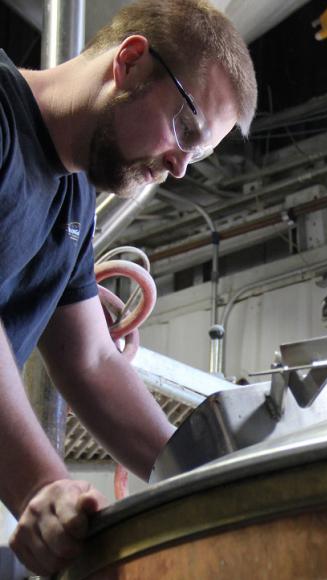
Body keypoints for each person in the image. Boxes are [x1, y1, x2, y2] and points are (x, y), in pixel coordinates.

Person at [0, 0, 257, 575]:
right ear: (132, 62)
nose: (179, 166)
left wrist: (211, 481)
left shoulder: (72, 203)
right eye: (182, 131)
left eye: (196, 154)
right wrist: (44, 486)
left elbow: (91, 360)